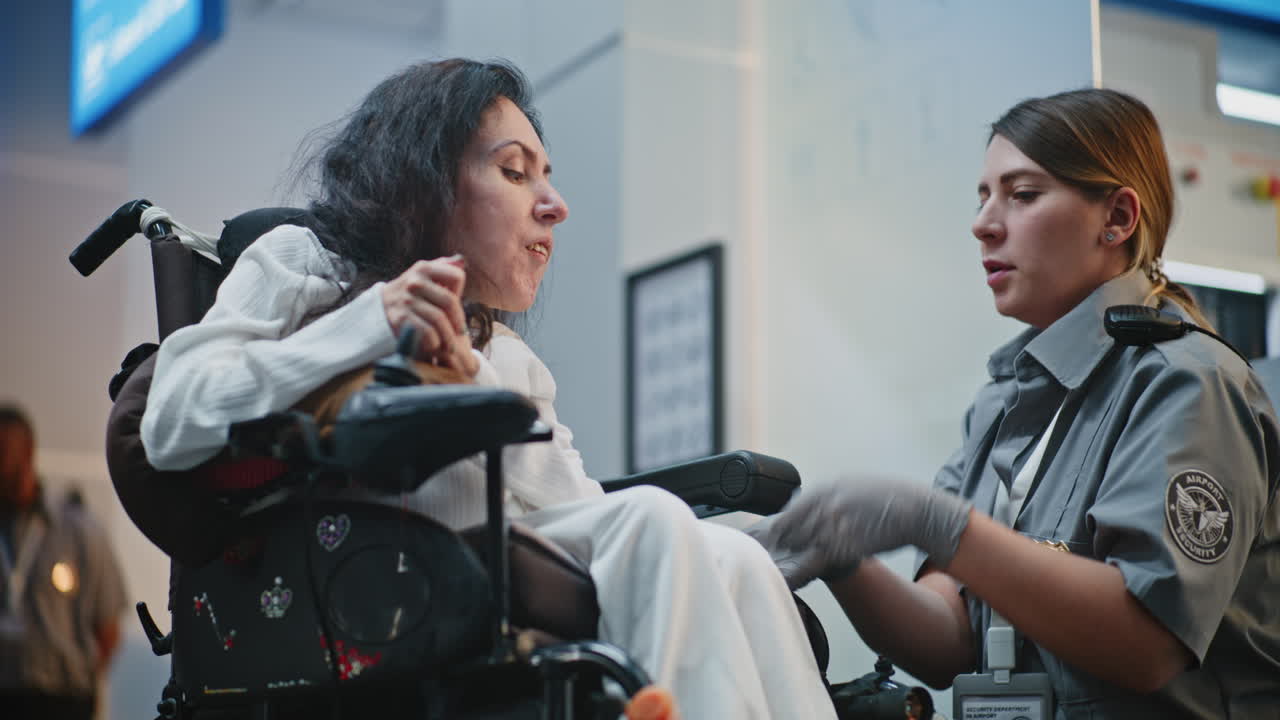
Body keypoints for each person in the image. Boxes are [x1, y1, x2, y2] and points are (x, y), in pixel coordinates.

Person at [140, 59, 835, 720]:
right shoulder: (305, 263)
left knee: (735, 554)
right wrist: (373, 320)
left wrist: (472, 376)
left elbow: (582, 515)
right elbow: (171, 420)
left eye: (547, 178)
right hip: (350, 570)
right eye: (514, 172)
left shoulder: (506, 354)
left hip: (489, 554)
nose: (555, 205)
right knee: (652, 519)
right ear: (424, 179)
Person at [752, 88, 1280, 718]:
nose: (983, 223)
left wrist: (938, 523)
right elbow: (948, 640)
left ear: (1117, 218)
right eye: (983, 197)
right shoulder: (1003, 401)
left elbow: (1147, 644)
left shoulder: (1187, 383)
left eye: (1022, 194)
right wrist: (840, 559)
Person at [0, 405, 129, 720]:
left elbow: (108, 628)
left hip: (62, 701)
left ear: (27, 453)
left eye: (2, 452)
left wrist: (78, 683)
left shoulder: (79, 530)